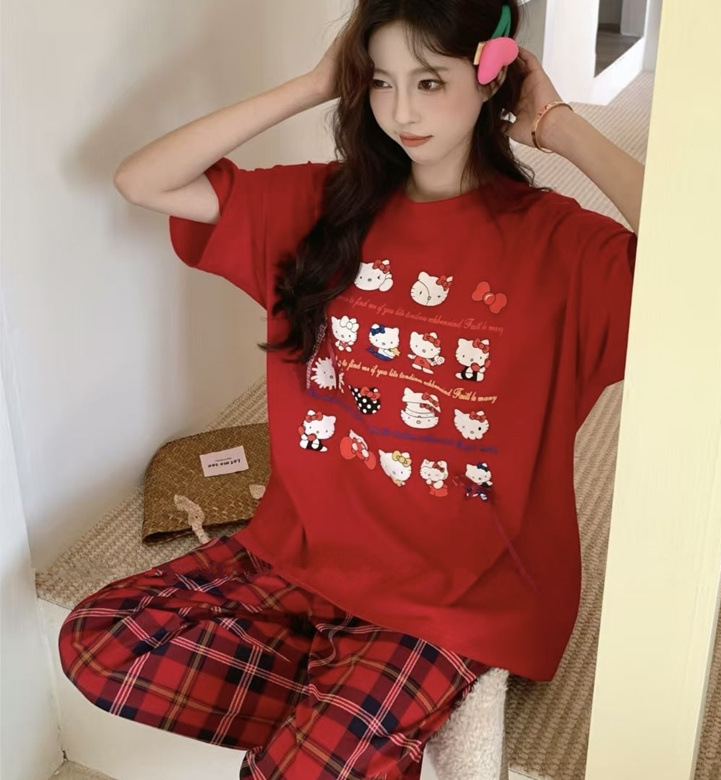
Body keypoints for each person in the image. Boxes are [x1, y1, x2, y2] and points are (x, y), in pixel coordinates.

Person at [58, 1, 643, 778]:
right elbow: (142, 180)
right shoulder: (321, 207)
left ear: (491, 76)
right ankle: (345, 710)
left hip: (457, 595)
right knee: (99, 641)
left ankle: (362, 711)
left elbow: (707, 264)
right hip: (304, 551)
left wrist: (560, 124)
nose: (401, 112)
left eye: (430, 81)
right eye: (382, 82)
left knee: (289, 772)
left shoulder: (556, 243)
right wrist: (313, 84)